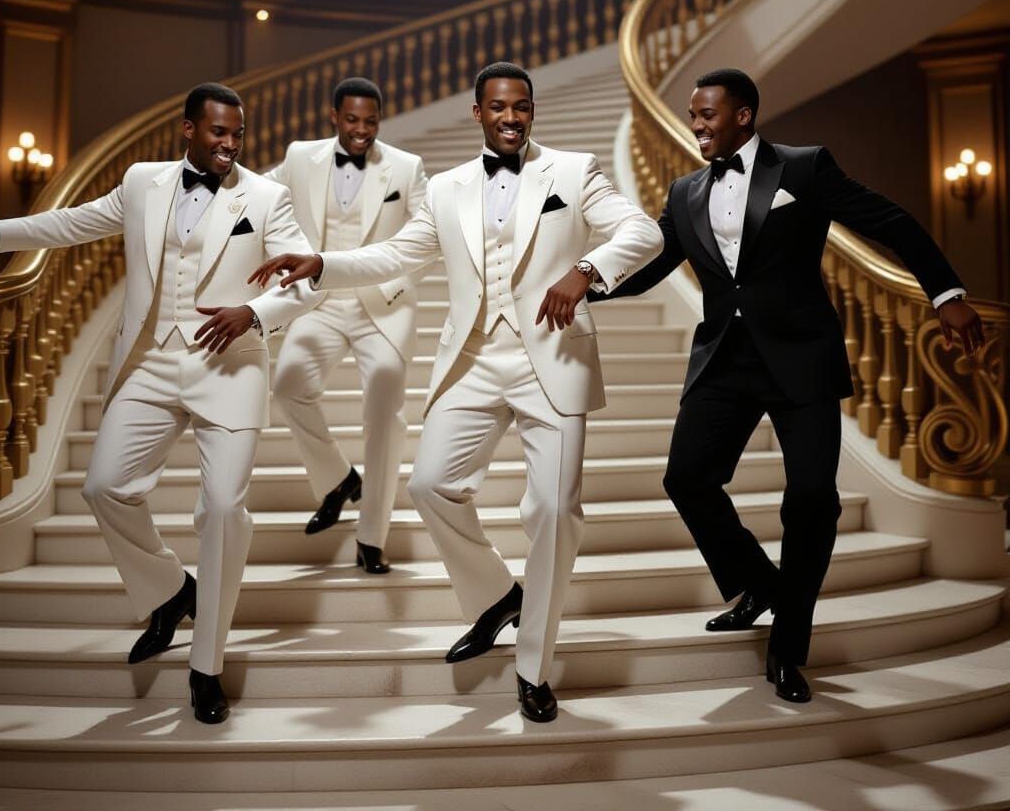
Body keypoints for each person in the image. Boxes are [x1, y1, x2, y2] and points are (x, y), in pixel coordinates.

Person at [248, 62, 663, 721]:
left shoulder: (574, 171)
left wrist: (586, 271)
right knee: (429, 485)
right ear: (478, 112)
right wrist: (324, 264)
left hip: (551, 358)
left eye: (521, 107)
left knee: (554, 512)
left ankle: (534, 667)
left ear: (531, 111)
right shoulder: (445, 188)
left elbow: (643, 231)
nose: (510, 117)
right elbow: (395, 255)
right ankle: (498, 595)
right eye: (498, 107)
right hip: (472, 359)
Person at [590, 67, 984, 703]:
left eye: (707, 115)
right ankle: (760, 585)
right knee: (686, 478)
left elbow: (892, 222)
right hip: (725, 361)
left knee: (809, 502)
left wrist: (945, 294)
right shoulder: (686, 190)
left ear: (744, 115)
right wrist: (587, 287)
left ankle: (788, 645)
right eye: (692, 116)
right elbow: (652, 265)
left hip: (801, 360)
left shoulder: (804, 168)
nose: (696, 126)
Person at [0, 82, 322, 723]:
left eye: (237, 134)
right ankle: (171, 591)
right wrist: (0, 231)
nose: (229, 144)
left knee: (223, 509)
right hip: (151, 360)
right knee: (104, 486)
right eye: (218, 132)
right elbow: (76, 220)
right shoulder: (142, 181)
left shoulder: (267, 196)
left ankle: (207, 668)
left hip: (229, 368)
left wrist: (253, 311)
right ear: (188, 129)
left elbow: (306, 281)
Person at [265, 77, 429, 573]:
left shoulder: (406, 167)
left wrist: (396, 274)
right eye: (353, 121)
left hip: (383, 305)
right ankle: (339, 480)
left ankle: (372, 537)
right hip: (320, 303)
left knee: (384, 413)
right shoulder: (299, 157)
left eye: (371, 122)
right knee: (288, 384)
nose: (362, 131)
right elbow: (255, 195)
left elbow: (426, 233)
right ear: (334, 116)